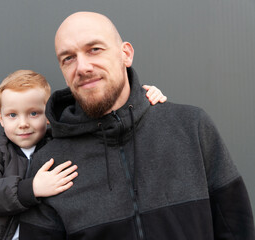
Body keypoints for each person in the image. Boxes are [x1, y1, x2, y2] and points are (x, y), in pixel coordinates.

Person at [19, 12, 255, 240]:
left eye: (95, 49)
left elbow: (236, 227)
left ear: (126, 54)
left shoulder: (191, 127)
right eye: (68, 58)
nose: (82, 67)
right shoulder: (49, 165)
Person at [0, 69, 167, 240]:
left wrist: (141, 96)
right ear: (1, 118)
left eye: (34, 113)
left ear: (48, 115)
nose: (23, 123)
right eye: (12, 115)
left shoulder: (58, 145)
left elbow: (94, 116)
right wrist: (31, 188)